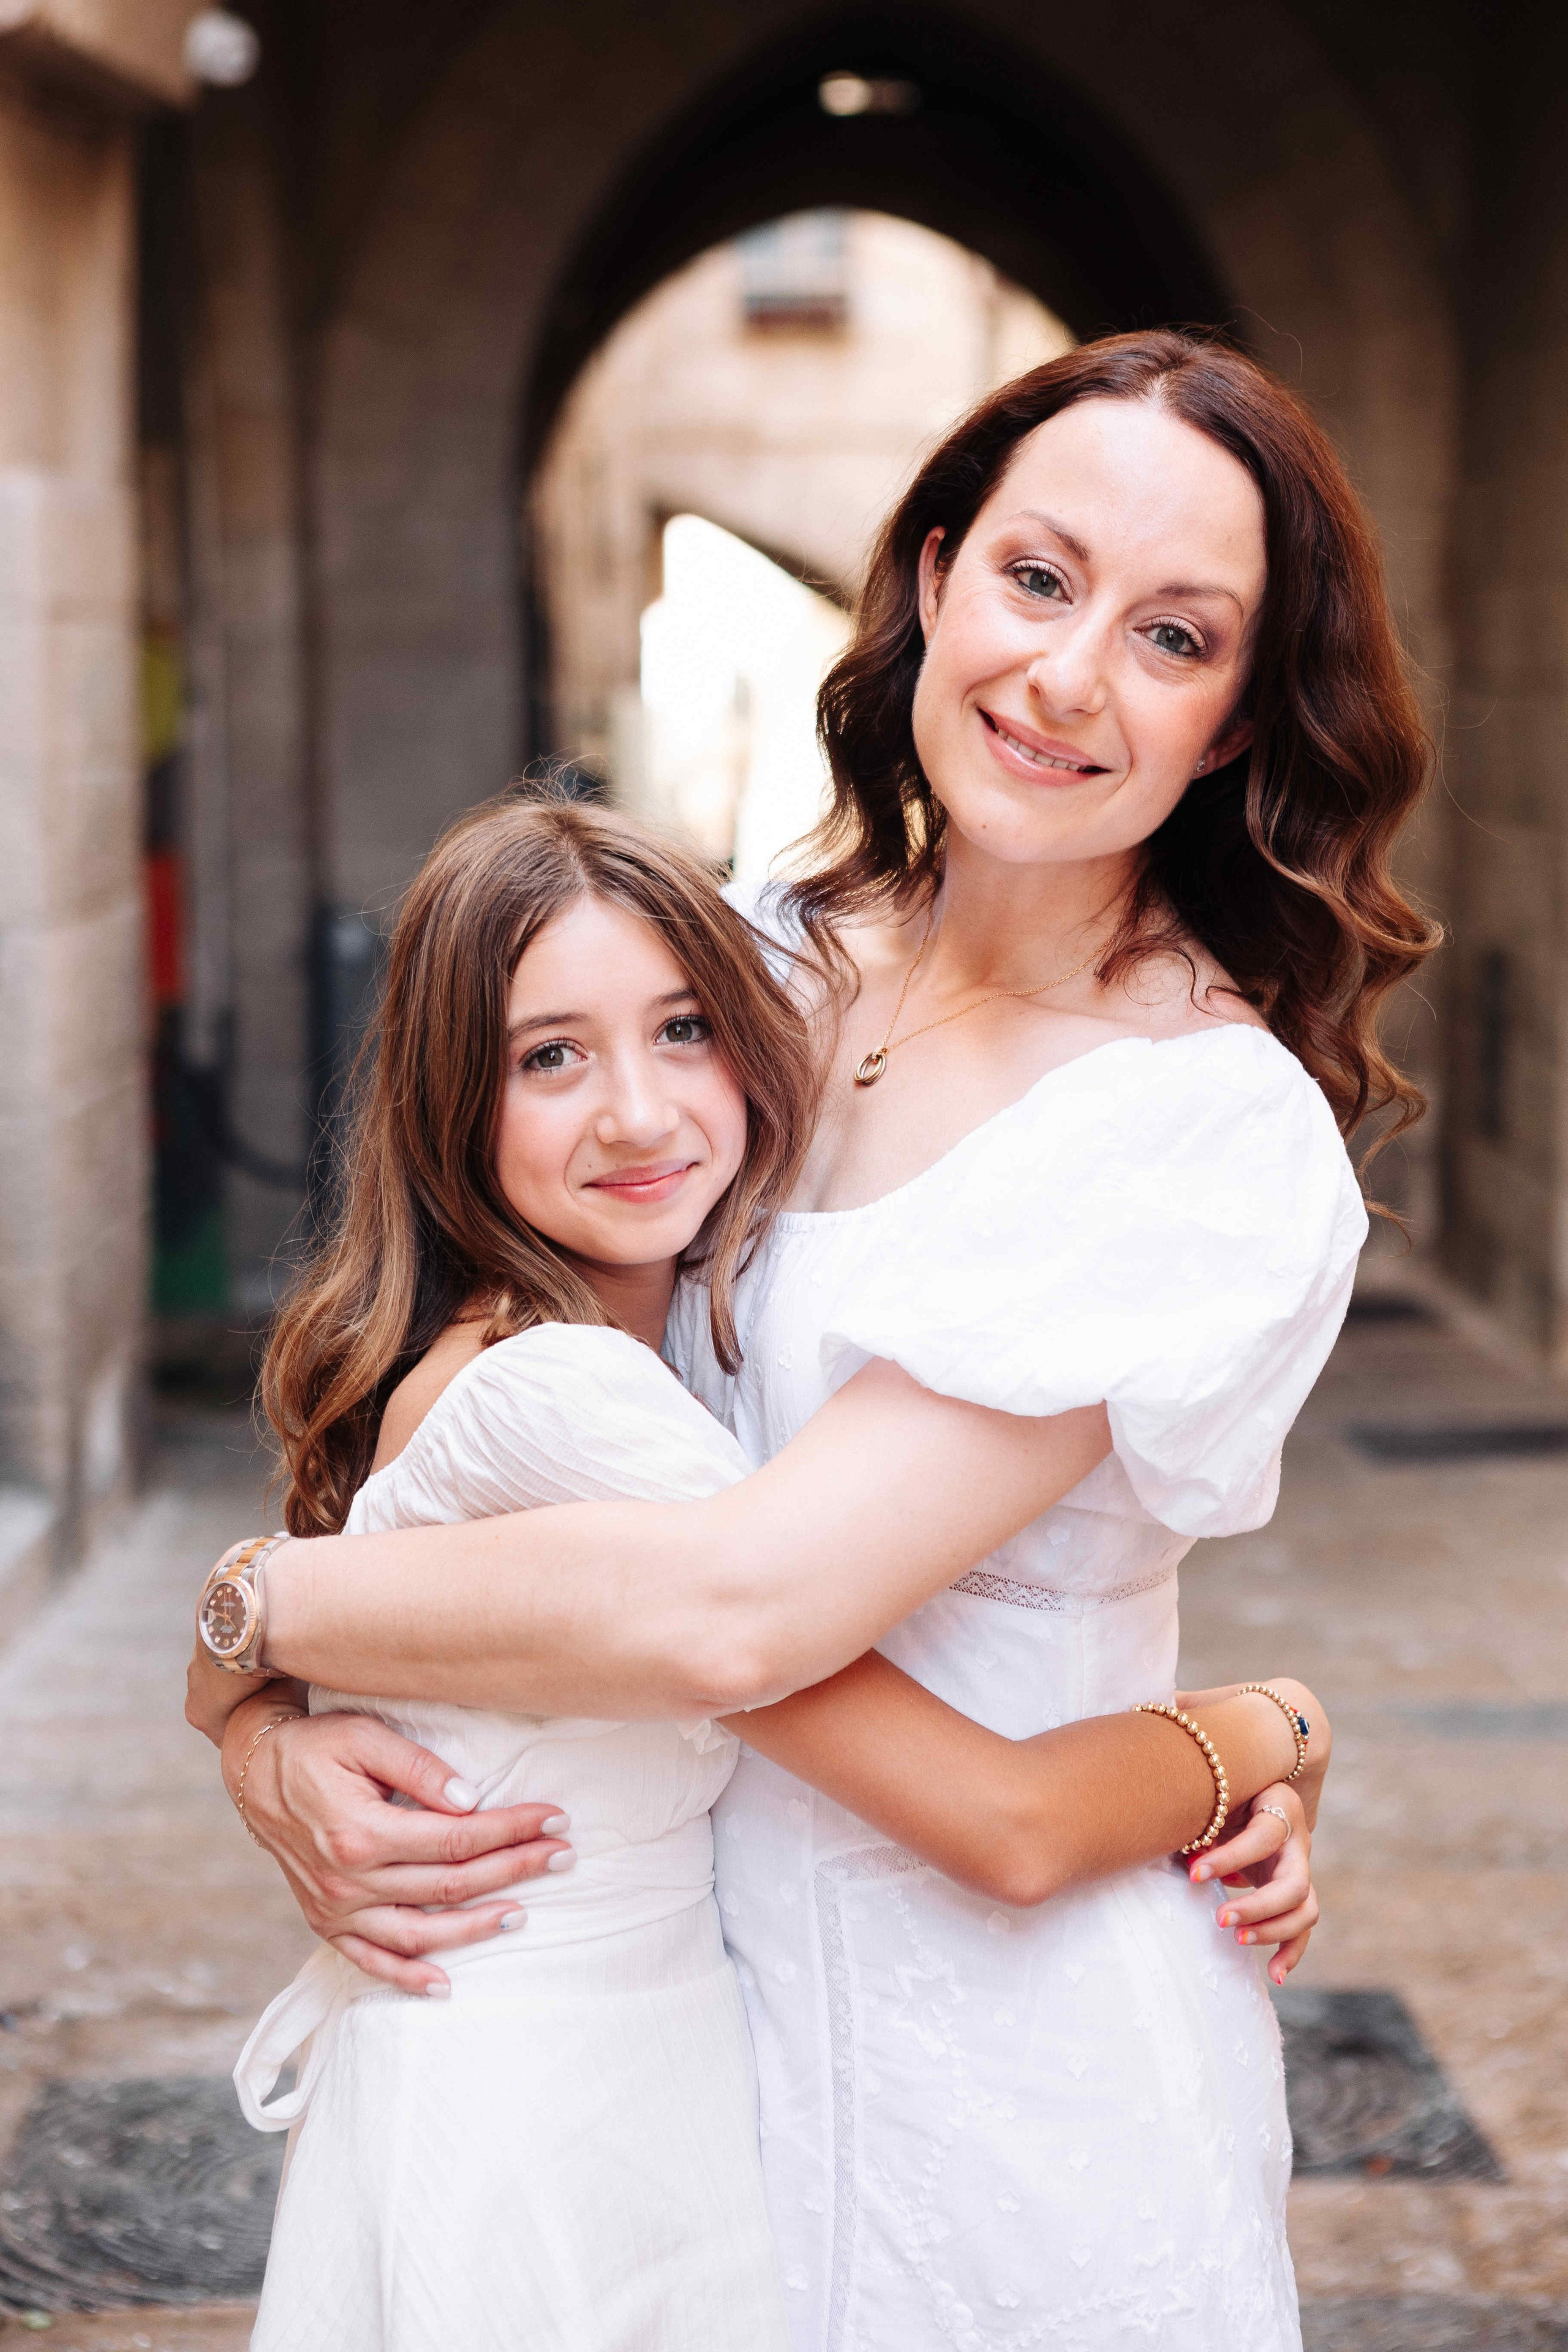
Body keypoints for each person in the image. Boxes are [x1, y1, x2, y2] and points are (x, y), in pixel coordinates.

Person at [192, 330, 1435, 2348]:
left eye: (1174, 635)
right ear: (936, 576)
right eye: (1038, 580)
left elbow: (739, 1613)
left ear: (1232, 723)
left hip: (1018, 2076)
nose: (1065, 675)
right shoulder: (748, 965)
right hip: (684, 2039)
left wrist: (263, 1621)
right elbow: (489, 1410)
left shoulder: (1195, 1127)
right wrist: (259, 1720)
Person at [204, 794, 1325, 2352]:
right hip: (555, 2115)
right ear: (452, 1101)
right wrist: (1268, 1726)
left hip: (596, 2075)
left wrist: (243, 1674)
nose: (638, 1113)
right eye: (548, 1057)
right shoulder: (570, 1401)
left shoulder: (589, 1348)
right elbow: (998, 1819)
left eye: (681, 1031)